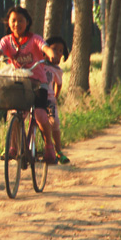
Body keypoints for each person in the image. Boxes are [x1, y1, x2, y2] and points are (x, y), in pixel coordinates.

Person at [0, 6, 58, 164]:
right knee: (14, 114)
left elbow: (44, 47)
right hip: (19, 84)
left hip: (38, 84)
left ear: (27, 22)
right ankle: (12, 147)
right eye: (13, 21)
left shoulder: (35, 39)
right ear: (8, 23)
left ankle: (49, 147)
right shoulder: (7, 41)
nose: (17, 24)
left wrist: (51, 54)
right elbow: (0, 50)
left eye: (20, 21)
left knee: (40, 115)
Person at [43, 36, 70, 164]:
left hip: (49, 99)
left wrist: (55, 96)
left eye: (61, 51)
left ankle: (58, 151)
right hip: (35, 96)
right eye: (54, 49)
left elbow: (58, 84)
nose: (58, 53)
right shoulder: (40, 64)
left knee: (54, 123)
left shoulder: (57, 71)